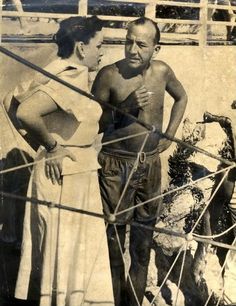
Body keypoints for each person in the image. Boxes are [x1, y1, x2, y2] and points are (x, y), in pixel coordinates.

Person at [6, 16, 114, 306]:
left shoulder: (54, 70)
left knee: (62, 251)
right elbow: (25, 112)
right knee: (67, 252)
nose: (102, 52)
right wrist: (52, 146)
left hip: (68, 169)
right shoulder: (69, 75)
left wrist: (41, 147)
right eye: (99, 45)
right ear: (81, 47)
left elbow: (9, 99)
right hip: (68, 173)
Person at [92, 17, 188, 306]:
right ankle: (116, 301)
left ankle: (133, 302)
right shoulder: (109, 75)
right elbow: (95, 122)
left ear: (155, 49)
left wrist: (170, 136)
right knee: (113, 241)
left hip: (149, 166)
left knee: (142, 246)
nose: (132, 49)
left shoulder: (162, 72)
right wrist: (126, 107)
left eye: (141, 44)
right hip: (115, 165)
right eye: (128, 41)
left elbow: (181, 98)